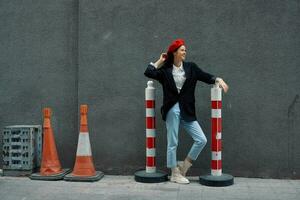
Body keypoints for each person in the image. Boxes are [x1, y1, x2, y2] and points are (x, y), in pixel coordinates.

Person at [144, 39, 229, 184]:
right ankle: (174, 172)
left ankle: (183, 167)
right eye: (182, 50)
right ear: (175, 52)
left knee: (201, 139)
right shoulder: (165, 71)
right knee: (173, 142)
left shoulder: (191, 67)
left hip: (187, 109)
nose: (185, 52)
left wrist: (218, 79)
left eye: (185, 50)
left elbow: (205, 76)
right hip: (172, 109)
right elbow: (149, 72)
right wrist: (160, 60)